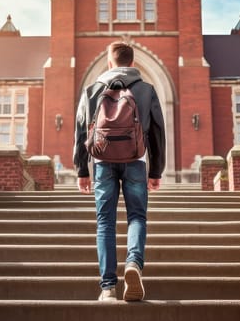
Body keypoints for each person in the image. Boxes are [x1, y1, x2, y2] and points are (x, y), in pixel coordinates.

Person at [73, 41, 166, 302]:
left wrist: (82, 169)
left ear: (109, 63)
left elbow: (81, 131)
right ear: (133, 64)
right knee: (137, 217)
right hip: (136, 161)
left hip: (102, 163)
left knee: (105, 222)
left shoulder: (93, 89)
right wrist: (156, 170)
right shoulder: (146, 90)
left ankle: (108, 287)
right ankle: (134, 263)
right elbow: (158, 131)